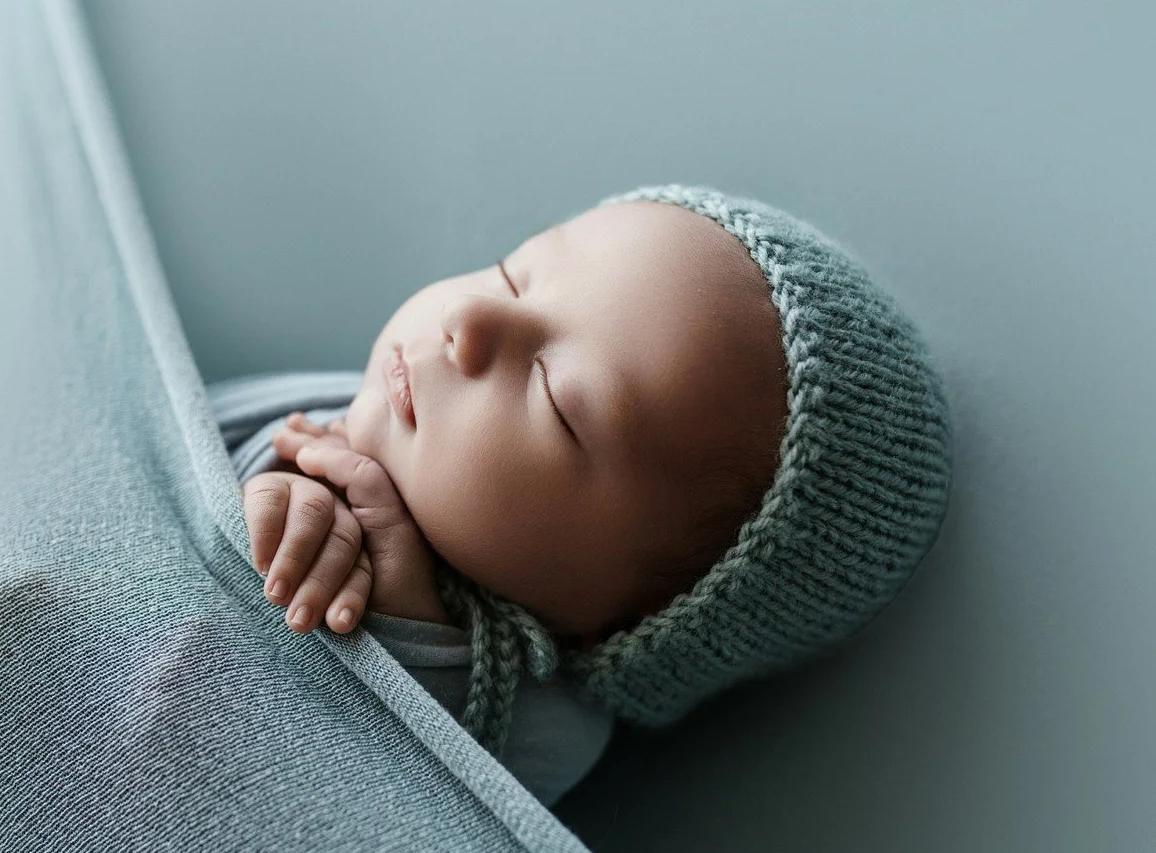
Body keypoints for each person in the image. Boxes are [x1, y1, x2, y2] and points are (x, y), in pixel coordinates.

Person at [220, 183, 953, 807]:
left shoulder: (543, 728)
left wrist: (408, 626)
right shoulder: (330, 404)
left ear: (630, 626)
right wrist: (258, 494)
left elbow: (371, 816)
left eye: (557, 399)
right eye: (512, 275)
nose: (470, 322)